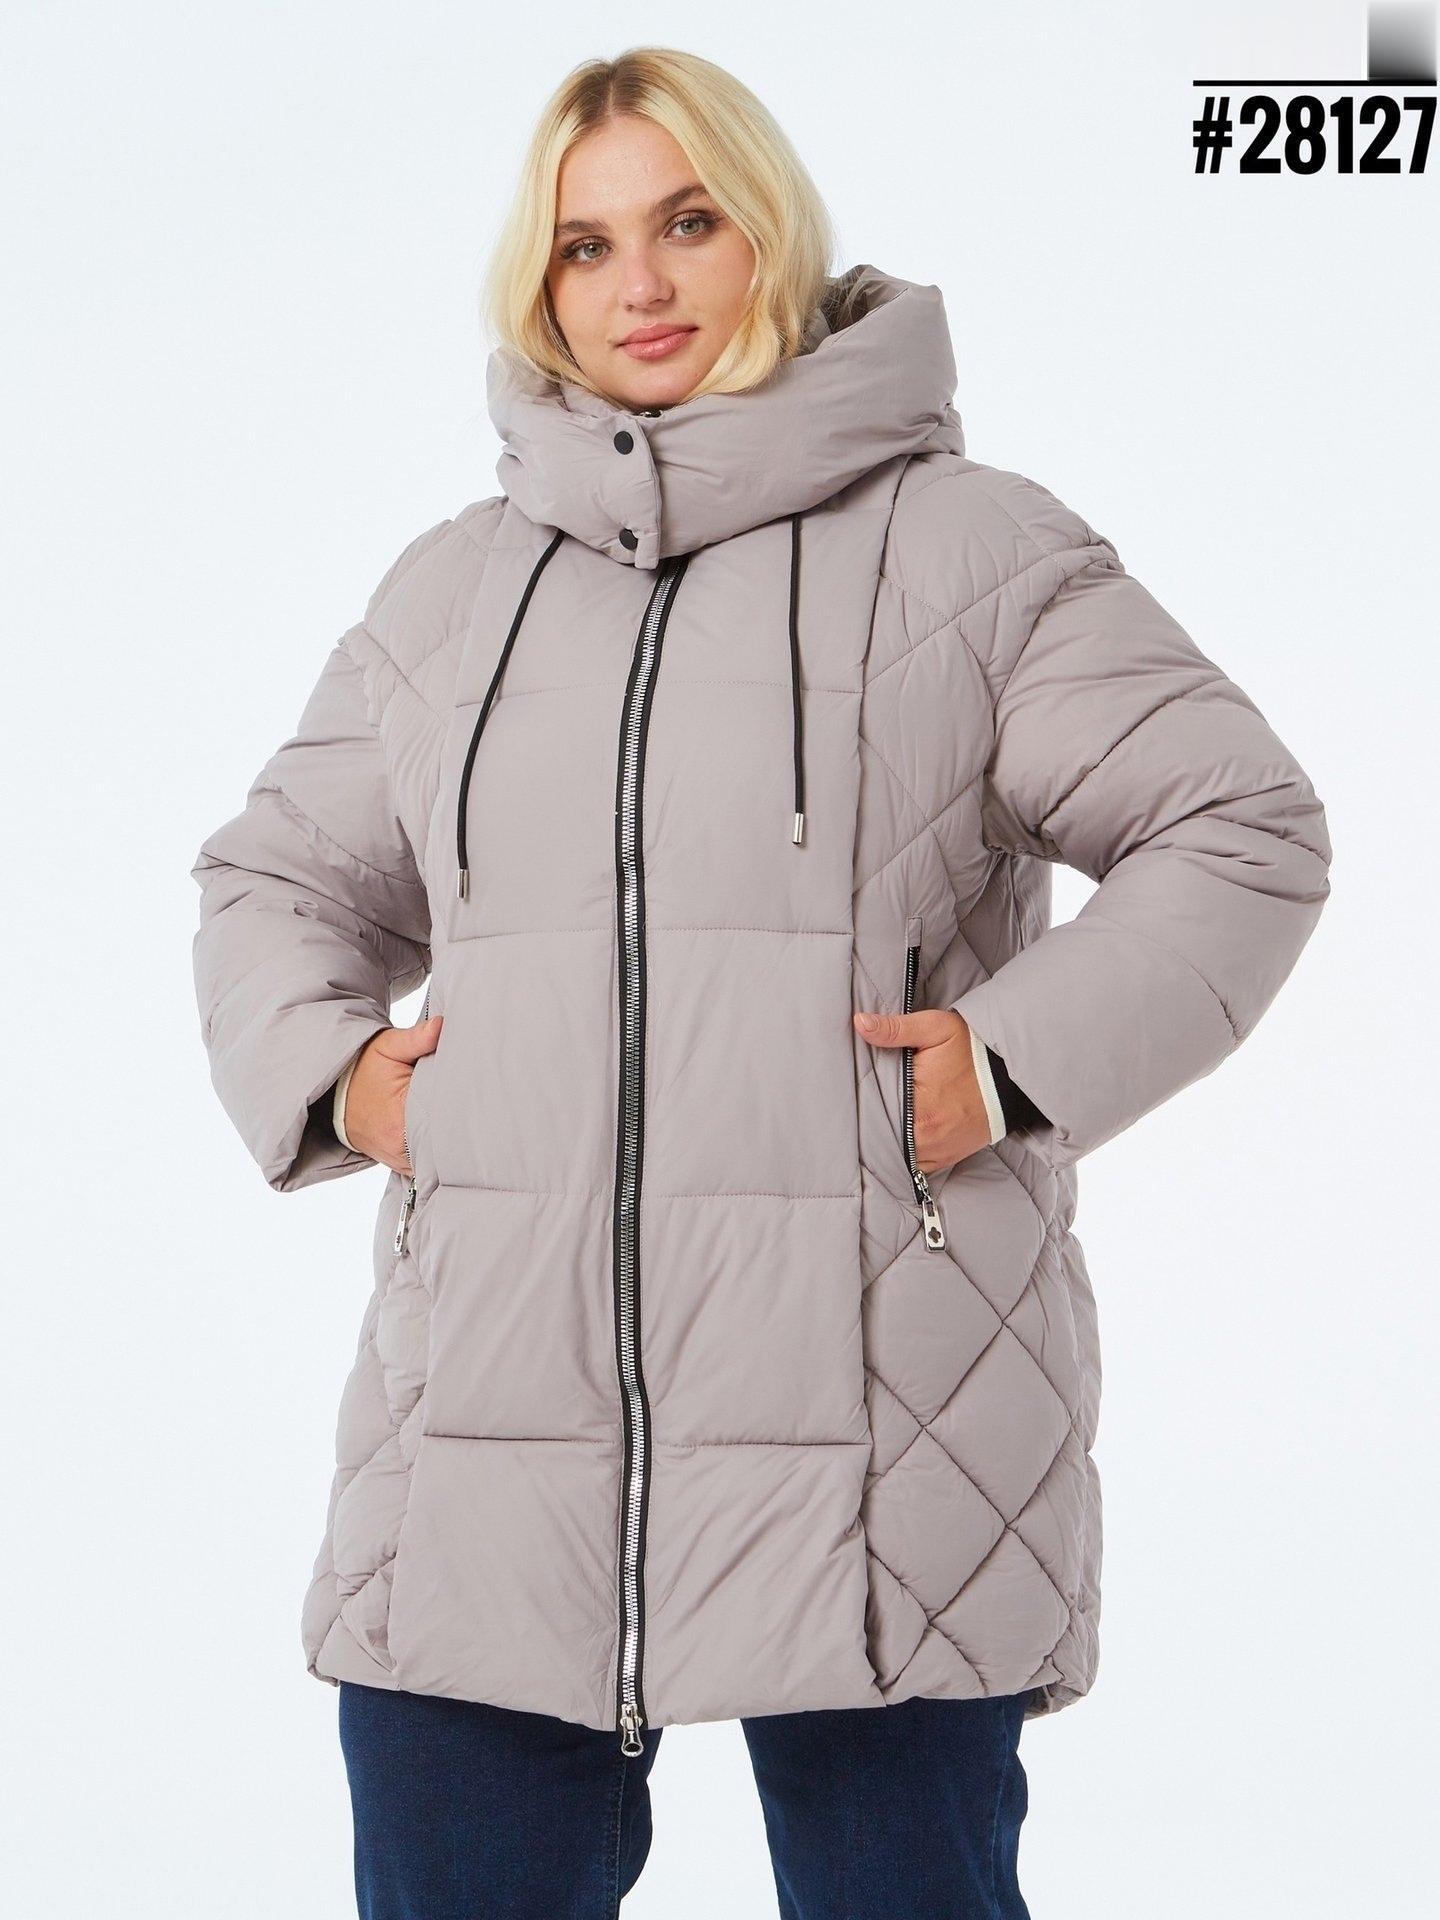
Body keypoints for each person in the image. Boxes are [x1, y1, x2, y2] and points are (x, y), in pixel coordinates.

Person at [189, 44, 1331, 1920]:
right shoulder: (454, 595)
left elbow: (1240, 825)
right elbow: (276, 878)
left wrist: (1004, 1065)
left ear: (771, 236)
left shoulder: (975, 556)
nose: (637, 285)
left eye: (688, 222)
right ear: (539, 283)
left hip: (892, 1427)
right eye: (585, 246)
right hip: (492, 1440)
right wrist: (341, 1078)